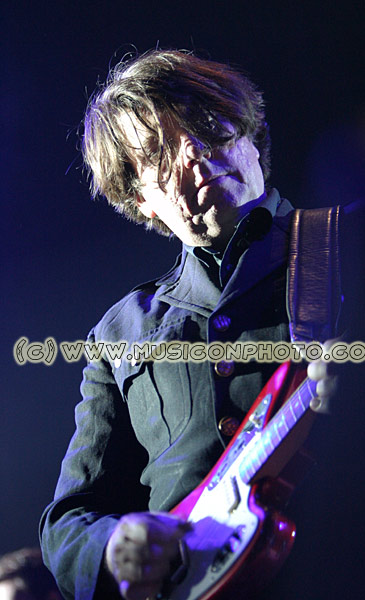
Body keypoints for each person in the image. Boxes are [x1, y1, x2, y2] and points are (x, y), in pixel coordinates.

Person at [39, 49, 338, 600]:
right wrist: (112, 546)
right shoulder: (119, 332)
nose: (193, 150)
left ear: (251, 136)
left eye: (205, 123)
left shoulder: (352, 246)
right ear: (141, 200)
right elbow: (69, 521)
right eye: (159, 151)